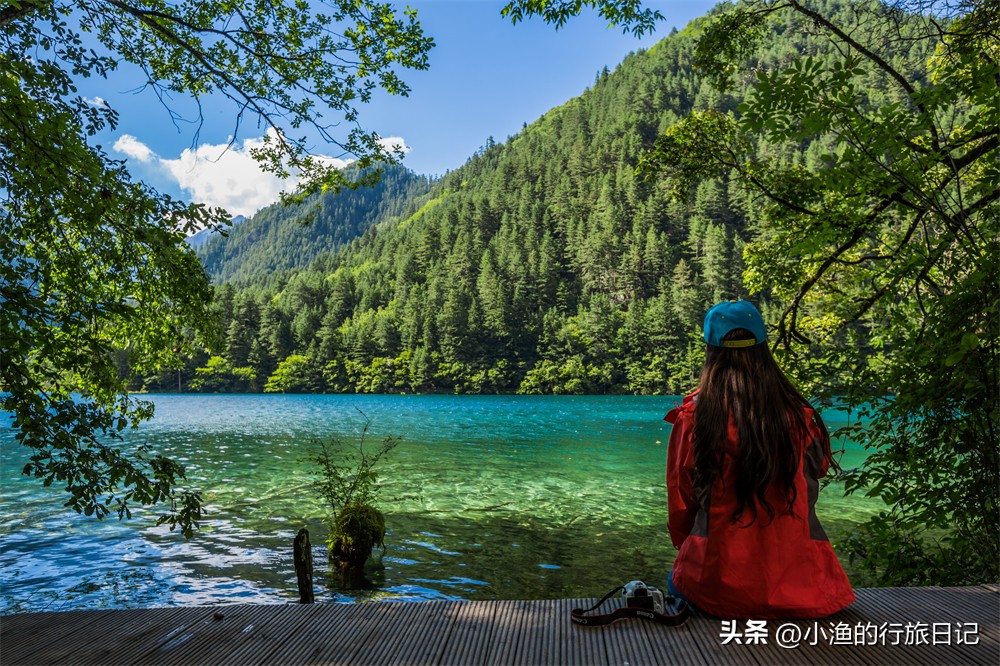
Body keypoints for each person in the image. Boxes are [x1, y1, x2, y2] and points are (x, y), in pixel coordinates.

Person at [664, 300, 855, 619]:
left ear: (710, 351)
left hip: (716, 587)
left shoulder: (695, 421)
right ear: (763, 349)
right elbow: (816, 474)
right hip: (805, 588)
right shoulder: (801, 419)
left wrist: (692, 549)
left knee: (677, 583)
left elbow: (681, 504)